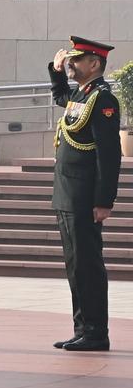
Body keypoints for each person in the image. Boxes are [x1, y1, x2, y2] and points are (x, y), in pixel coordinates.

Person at [49, 36, 121, 352]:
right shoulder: (82, 93)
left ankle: (96, 332)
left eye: (77, 60)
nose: (71, 64)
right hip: (67, 191)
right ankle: (82, 328)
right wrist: (55, 72)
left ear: (94, 64)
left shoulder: (104, 99)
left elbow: (109, 154)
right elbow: (61, 97)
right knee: (74, 264)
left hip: (84, 195)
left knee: (87, 264)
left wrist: (104, 200)